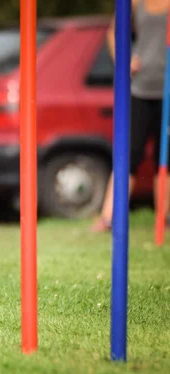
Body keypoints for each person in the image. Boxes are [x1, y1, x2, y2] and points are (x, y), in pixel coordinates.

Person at [91, 0, 170, 232]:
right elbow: (114, 32)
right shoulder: (136, 2)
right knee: (129, 153)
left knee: (165, 159)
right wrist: (124, 58)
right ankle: (108, 217)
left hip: (168, 90)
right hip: (140, 88)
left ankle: (163, 220)